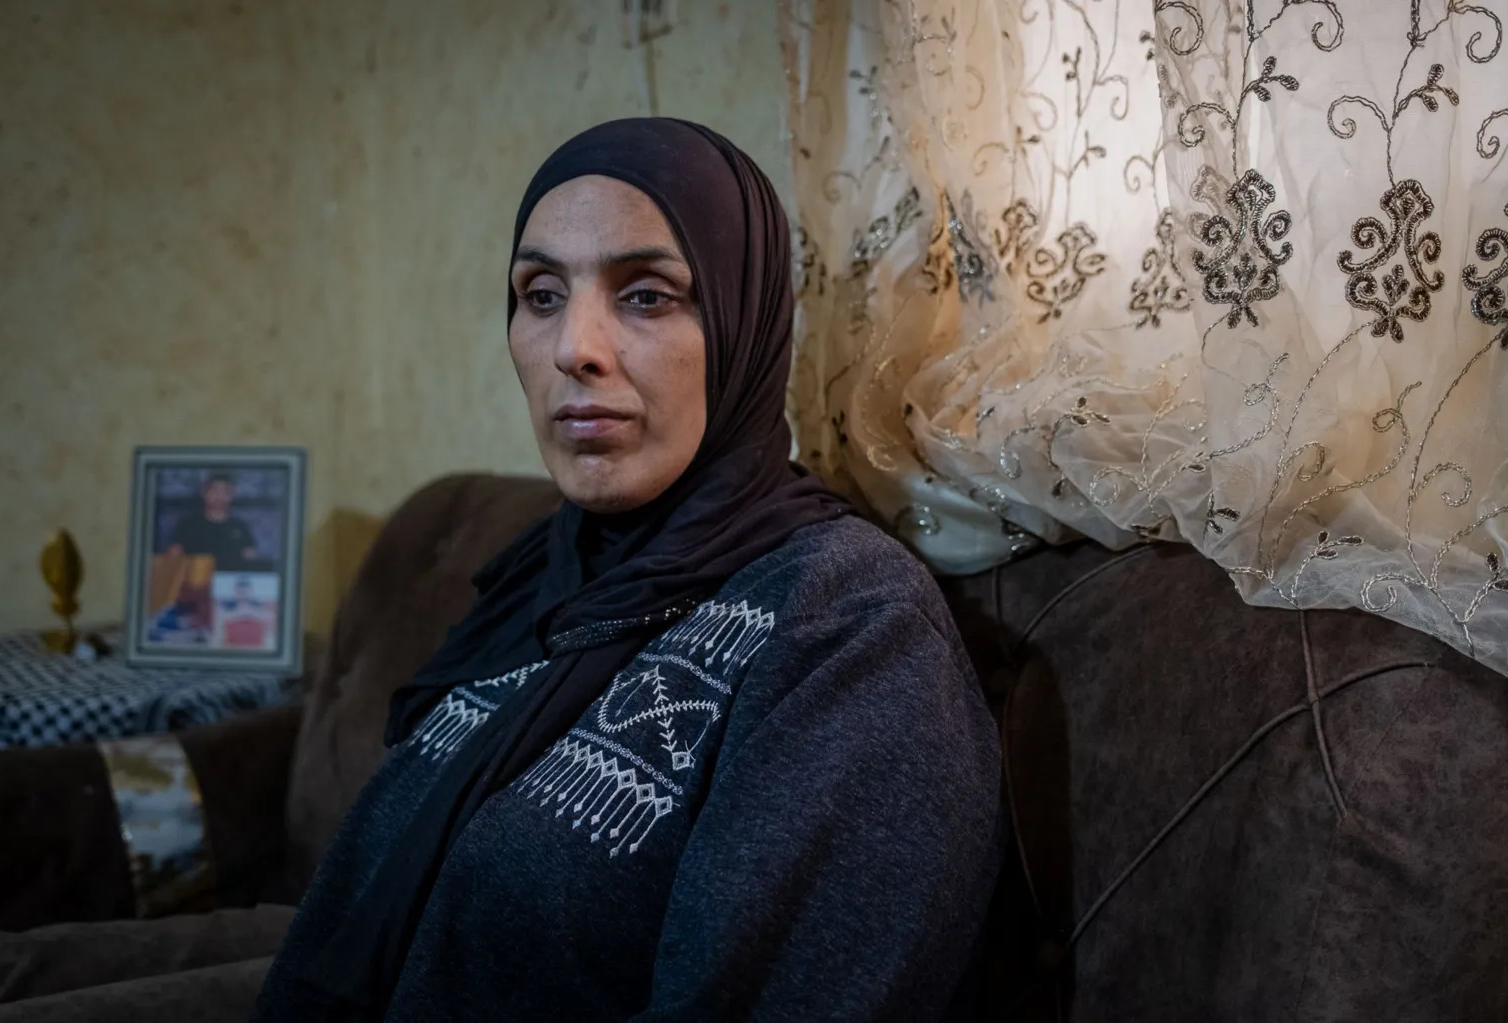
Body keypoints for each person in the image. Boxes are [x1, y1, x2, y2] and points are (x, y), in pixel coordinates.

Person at [251, 118, 1000, 1022]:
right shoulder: (540, 578)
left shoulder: (843, 620)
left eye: (645, 295)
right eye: (540, 293)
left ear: (743, 320)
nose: (576, 347)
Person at [165, 473, 259, 571]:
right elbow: (173, 556)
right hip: (195, 581)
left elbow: (251, 559)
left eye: (224, 492)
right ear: (204, 492)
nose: (219, 496)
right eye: (214, 490)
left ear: (232, 494)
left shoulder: (240, 527)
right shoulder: (187, 525)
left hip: (229, 582)